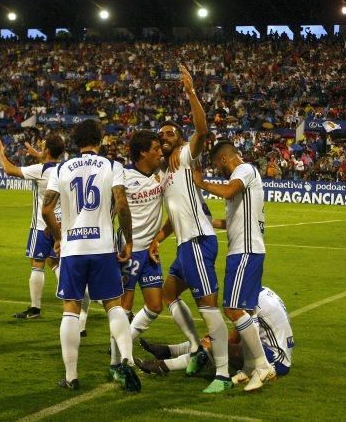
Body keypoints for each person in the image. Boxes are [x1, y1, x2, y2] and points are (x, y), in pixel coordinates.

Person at [148, 64, 232, 394]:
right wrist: (158, 237)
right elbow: (173, 216)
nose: (164, 138)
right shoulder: (164, 174)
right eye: (161, 136)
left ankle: (222, 374)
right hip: (184, 245)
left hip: (198, 242)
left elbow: (203, 128)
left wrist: (191, 92)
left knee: (208, 306)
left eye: (169, 133)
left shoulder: (186, 155)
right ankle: (197, 347)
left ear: (179, 140)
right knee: (168, 294)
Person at [42, 118, 140, 392]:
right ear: (100, 140)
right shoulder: (112, 166)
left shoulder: (60, 169)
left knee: (71, 310)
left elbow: (46, 211)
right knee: (114, 305)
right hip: (102, 247)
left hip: (73, 249)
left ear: (76, 142)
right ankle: (127, 360)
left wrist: (60, 237)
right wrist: (128, 241)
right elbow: (121, 203)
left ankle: (71, 376)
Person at [191, 140, 275, 391]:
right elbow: (229, 223)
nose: (219, 171)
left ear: (223, 160)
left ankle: (263, 366)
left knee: (232, 309)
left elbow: (227, 191)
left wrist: (201, 183)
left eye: (218, 166)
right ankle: (250, 367)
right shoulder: (241, 183)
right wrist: (205, 222)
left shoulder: (244, 170)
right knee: (246, 312)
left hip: (245, 250)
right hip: (248, 249)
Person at [137, 286, 294, 381]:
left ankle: (163, 365)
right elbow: (241, 334)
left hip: (275, 360)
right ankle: (168, 350)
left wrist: (212, 343)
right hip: (273, 350)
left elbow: (236, 340)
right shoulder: (262, 292)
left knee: (215, 346)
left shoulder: (250, 301)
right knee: (215, 341)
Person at [108, 130, 165, 367]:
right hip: (128, 250)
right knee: (124, 307)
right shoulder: (125, 177)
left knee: (155, 305)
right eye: (155, 148)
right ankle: (120, 359)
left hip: (150, 251)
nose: (160, 152)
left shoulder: (161, 174)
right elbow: (111, 210)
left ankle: (124, 345)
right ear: (142, 152)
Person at [0, 134, 64, 320]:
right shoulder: (64, 169)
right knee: (55, 262)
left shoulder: (39, 170)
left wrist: (0, 152)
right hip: (60, 226)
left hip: (41, 226)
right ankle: (75, 300)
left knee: (37, 264)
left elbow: (9, 170)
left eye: (44, 146)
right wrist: (38, 154)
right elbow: (50, 162)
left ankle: (35, 309)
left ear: (47, 150)